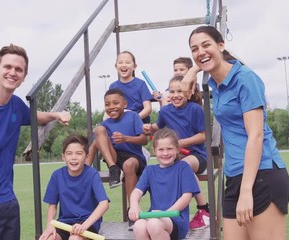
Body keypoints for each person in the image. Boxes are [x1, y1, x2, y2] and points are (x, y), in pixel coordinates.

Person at [0, 44, 72, 240]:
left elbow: (36, 116)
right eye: (7, 67)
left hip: (7, 202)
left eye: (19, 69)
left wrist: (56, 115)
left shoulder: (16, 106)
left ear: (24, 76)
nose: (12, 72)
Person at [183, 26, 289, 240]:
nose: (200, 52)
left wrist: (246, 191)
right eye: (194, 49)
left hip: (261, 175)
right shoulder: (217, 83)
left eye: (206, 45)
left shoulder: (245, 78)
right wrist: (192, 71)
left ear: (221, 45)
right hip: (234, 176)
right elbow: (205, 63)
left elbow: (256, 136)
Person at [143, 75, 211, 230]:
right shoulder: (165, 111)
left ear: (189, 92)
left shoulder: (195, 109)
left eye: (180, 91)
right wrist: (149, 128)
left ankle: (204, 209)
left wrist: (180, 143)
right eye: (172, 91)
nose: (175, 95)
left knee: (183, 166)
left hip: (197, 155)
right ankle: (168, 212)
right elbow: (158, 126)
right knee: (170, 167)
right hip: (176, 156)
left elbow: (204, 135)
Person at [86, 88, 148, 230]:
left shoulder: (132, 116)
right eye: (107, 104)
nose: (111, 107)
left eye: (116, 103)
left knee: (128, 164)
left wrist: (126, 138)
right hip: (115, 158)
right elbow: (95, 145)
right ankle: (113, 168)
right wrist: (86, 167)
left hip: (134, 158)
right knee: (99, 130)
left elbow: (144, 140)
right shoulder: (106, 125)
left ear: (124, 104)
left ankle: (132, 210)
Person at [128, 128, 200, 240]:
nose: (165, 153)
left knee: (154, 224)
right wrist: (134, 205)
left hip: (175, 219)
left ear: (177, 149)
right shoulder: (150, 170)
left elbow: (187, 196)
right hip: (155, 217)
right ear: (154, 151)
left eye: (169, 149)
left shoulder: (183, 168)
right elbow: (137, 191)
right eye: (161, 149)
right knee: (138, 226)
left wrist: (166, 213)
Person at [39, 135, 109, 240]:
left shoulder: (92, 174)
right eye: (69, 153)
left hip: (86, 224)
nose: (73, 157)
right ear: (63, 157)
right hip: (64, 224)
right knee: (48, 238)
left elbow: (104, 204)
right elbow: (52, 206)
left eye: (79, 153)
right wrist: (49, 225)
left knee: (75, 239)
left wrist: (84, 225)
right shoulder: (57, 175)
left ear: (87, 156)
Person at [108, 51, 153, 123]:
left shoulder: (140, 84)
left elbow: (148, 108)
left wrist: (133, 119)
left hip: (139, 120)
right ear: (116, 66)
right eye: (120, 62)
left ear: (134, 66)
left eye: (127, 62)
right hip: (119, 120)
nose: (124, 65)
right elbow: (110, 108)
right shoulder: (113, 86)